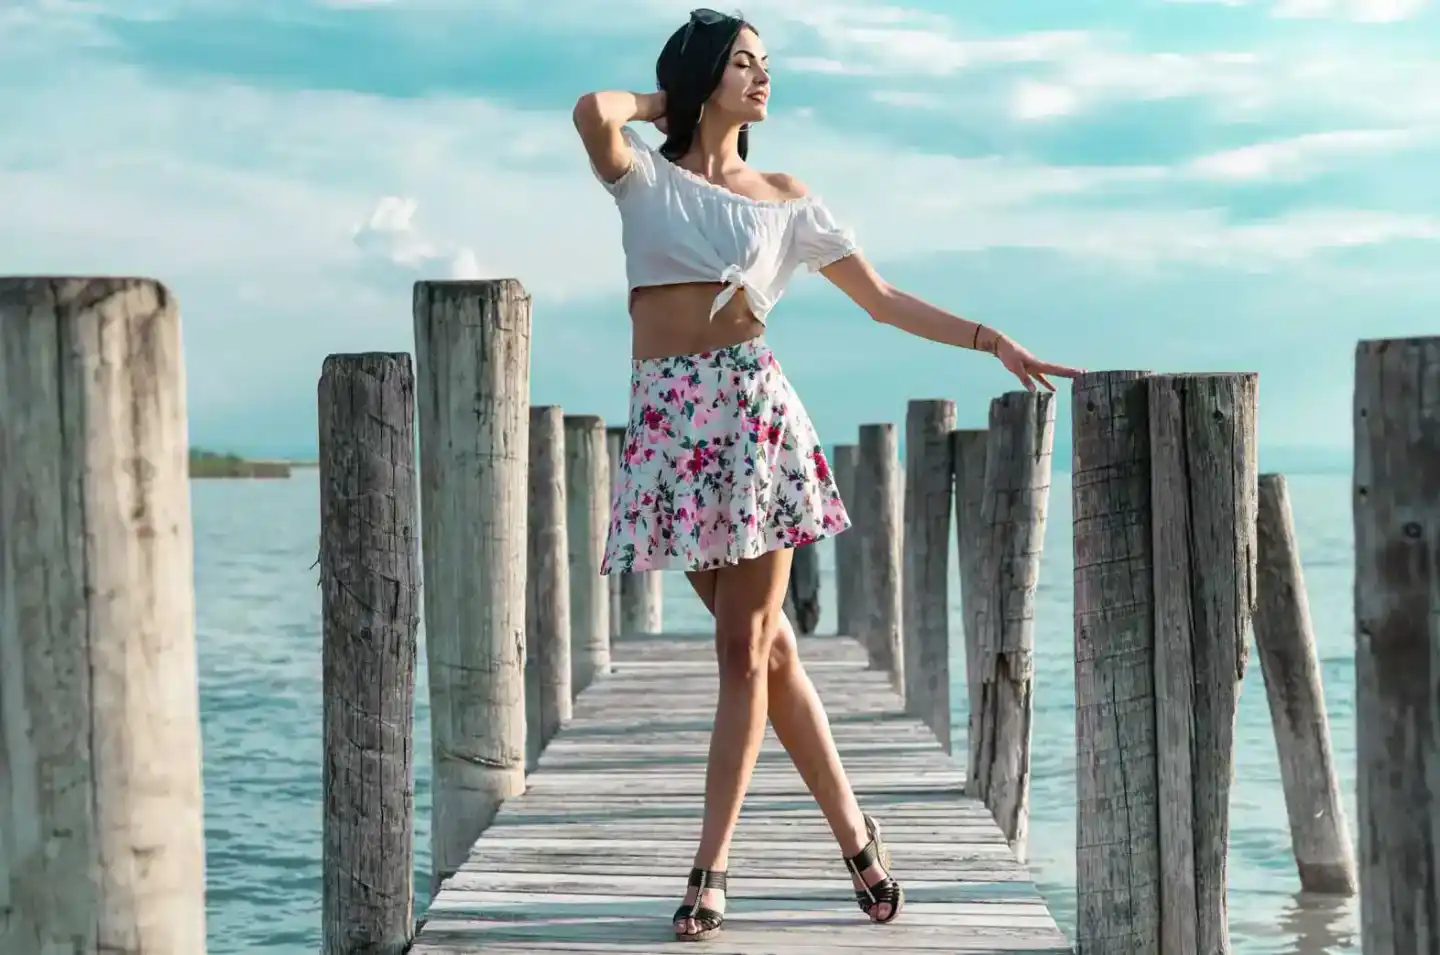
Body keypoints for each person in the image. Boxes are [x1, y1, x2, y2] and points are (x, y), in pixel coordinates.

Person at [572, 7, 1082, 943]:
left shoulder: (786, 195)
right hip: (671, 428)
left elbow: (881, 300)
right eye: (741, 63)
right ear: (700, 76)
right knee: (767, 653)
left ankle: (711, 868)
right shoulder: (642, 178)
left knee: (743, 645)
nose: (763, 77)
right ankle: (858, 833)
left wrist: (989, 339)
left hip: (753, 418)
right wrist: (666, 102)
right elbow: (591, 111)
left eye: (766, 63)